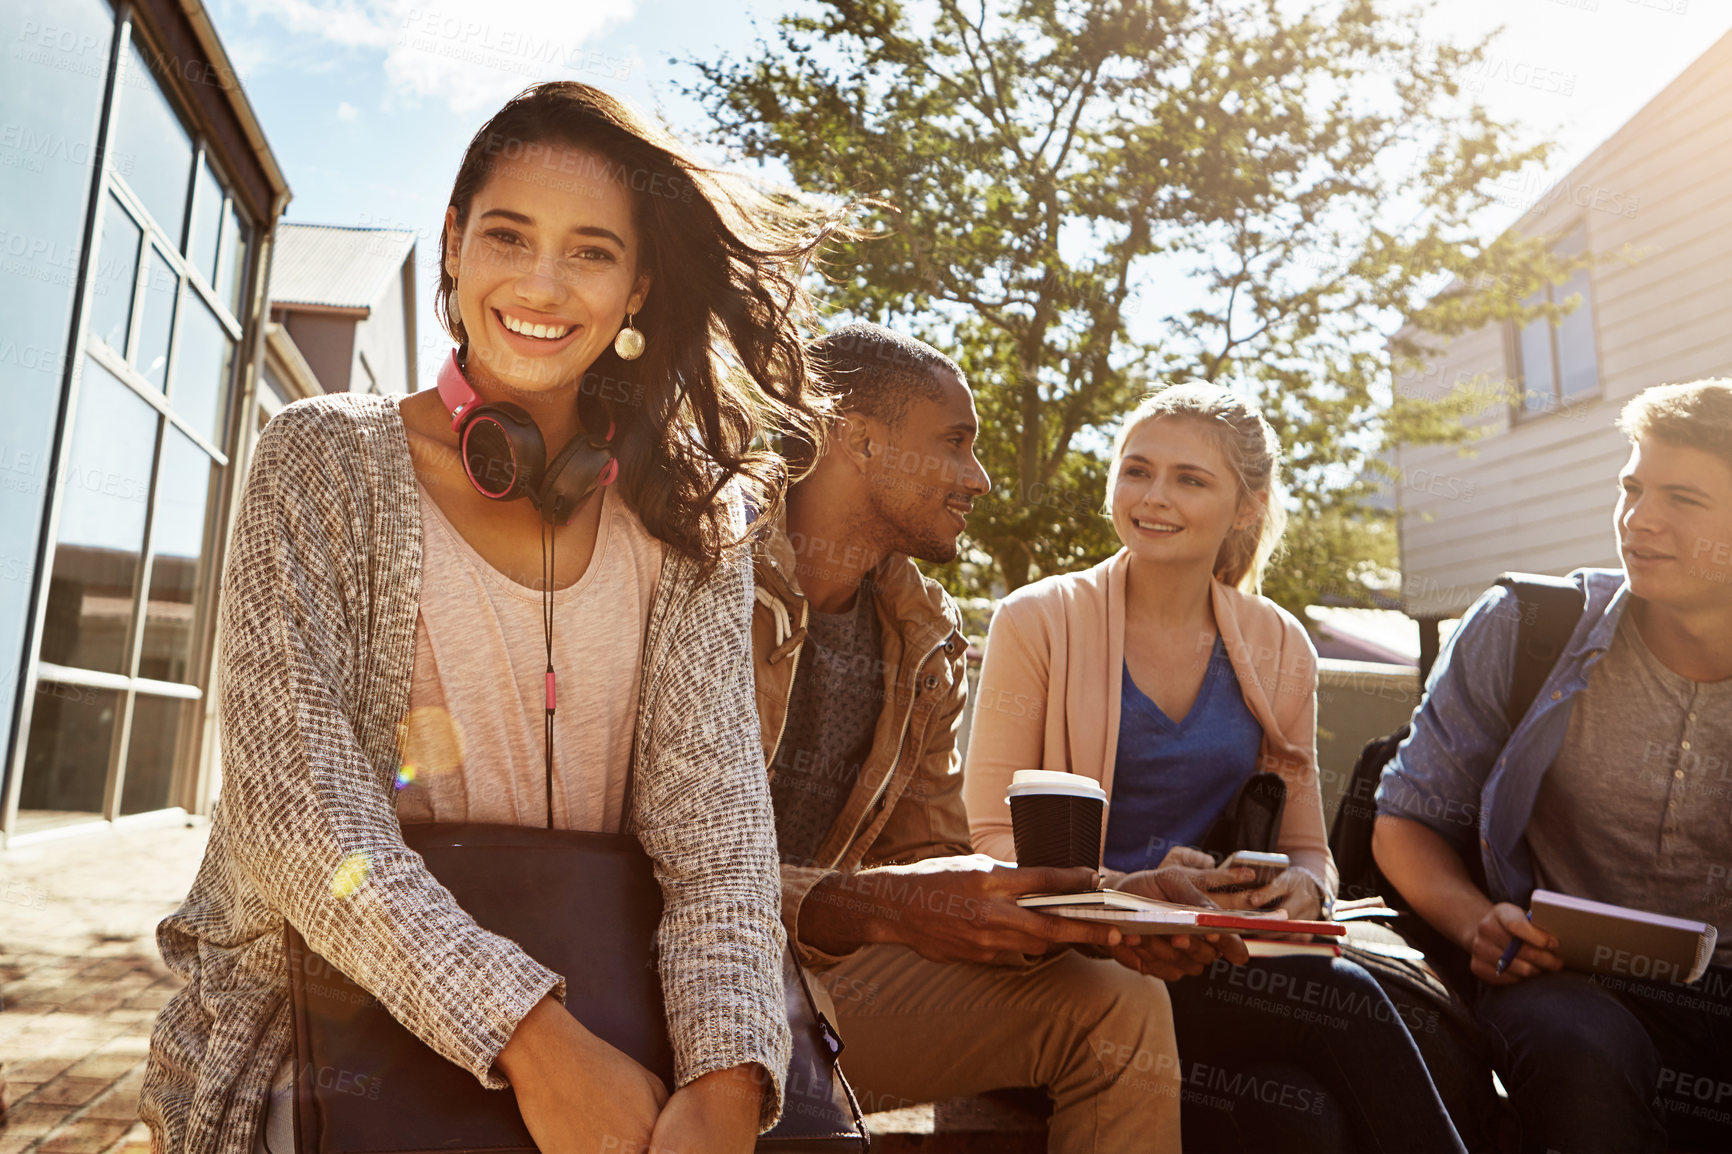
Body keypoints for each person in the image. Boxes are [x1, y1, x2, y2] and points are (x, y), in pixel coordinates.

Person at [141, 82, 839, 1154]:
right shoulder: (321, 458)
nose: (542, 283)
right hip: (327, 1025)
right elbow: (299, 819)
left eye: (592, 252)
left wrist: (727, 1073)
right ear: (454, 245)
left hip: (623, 1022)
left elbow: (719, 845)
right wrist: (530, 1037)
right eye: (509, 234)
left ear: (639, 285)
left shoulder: (694, 516)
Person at [965, 383, 1466, 1153]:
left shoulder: (1278, 645)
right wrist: (1129, 896)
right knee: (1344, 1002)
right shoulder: (1037, 620)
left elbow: (1310, 854)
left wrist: (1302, 887)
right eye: (1137, 470)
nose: (1153, 497)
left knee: (1300, 1119)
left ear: (1247, 506)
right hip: (1058, 967)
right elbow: (989, 842)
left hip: (1211, 970)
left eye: (1189, 479)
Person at [752, 322, 1186, 1153]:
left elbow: (936, 860)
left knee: (1113, 1001)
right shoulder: (702, 574)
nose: (978, 479)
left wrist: (1107, 903)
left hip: (818, 983)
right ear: (857, 439)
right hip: (666, 977)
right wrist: (873, 905)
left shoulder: (921, 634)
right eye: (955, 444)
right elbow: (640, 858)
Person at [1373, 379, 1732, 1154]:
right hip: (1557, 983)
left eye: (1683, 498)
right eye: (1631, 488)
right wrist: (1476, 923)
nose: (1639, 521)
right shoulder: (1528, 628)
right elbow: (1406, 819)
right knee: (1584, 1054)